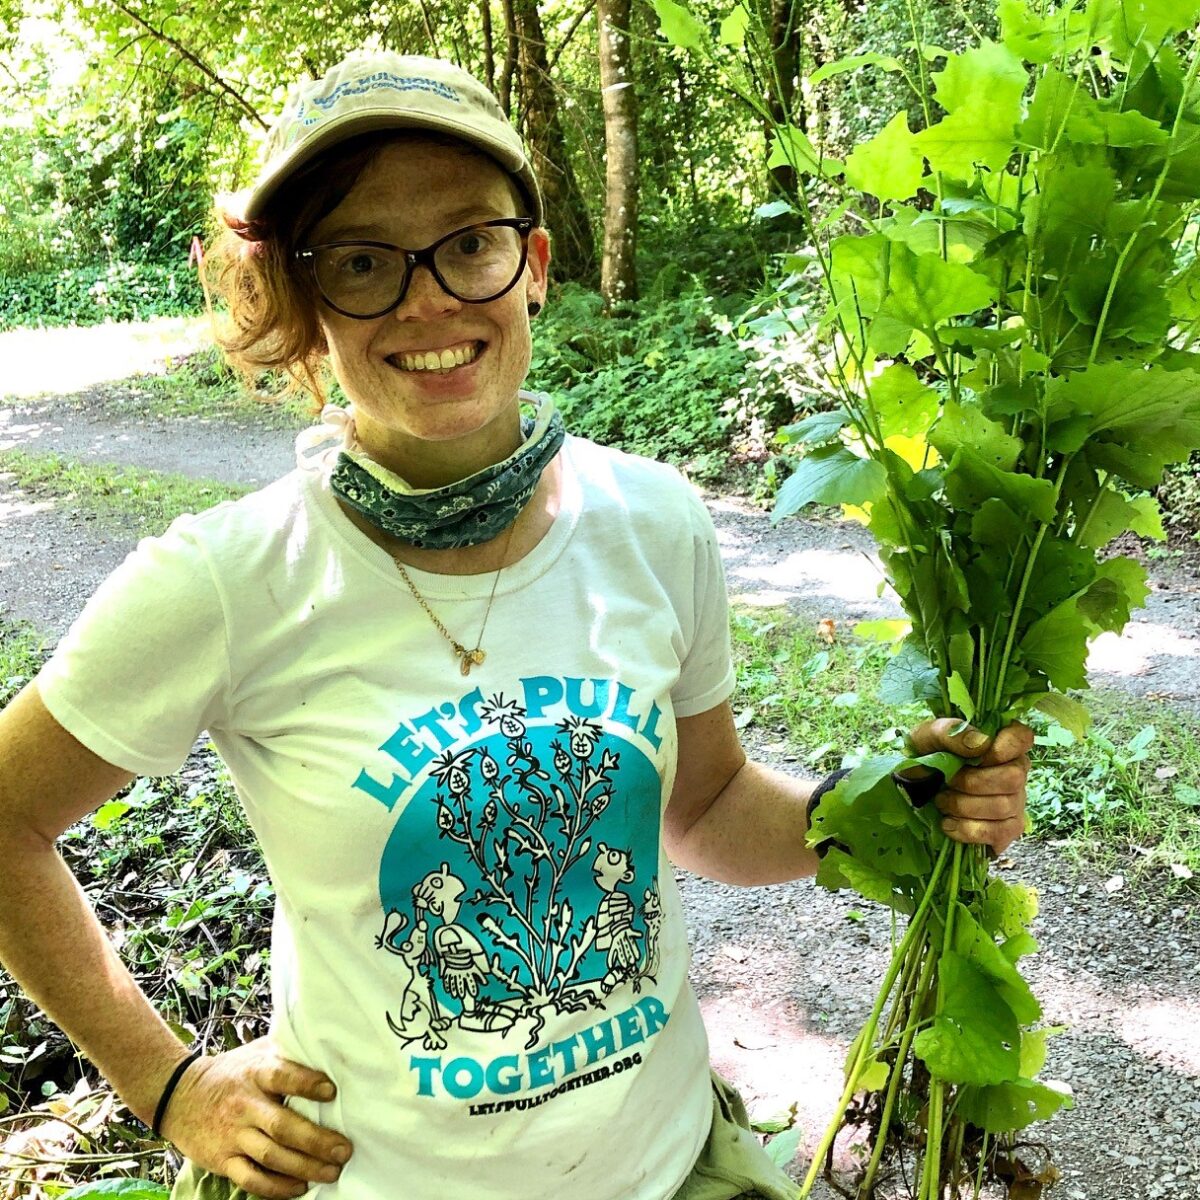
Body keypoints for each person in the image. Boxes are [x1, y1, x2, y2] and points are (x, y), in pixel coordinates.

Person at [0, 51, 1033, 1200]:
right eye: (359, 261)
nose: (427, 299)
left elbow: (704, 809)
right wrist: (167, 1081)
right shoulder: (228, 580)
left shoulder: (653, 521)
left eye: (468, 243)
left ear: (532, 264)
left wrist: (886, 814)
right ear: (303, 301)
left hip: (663, 1166)